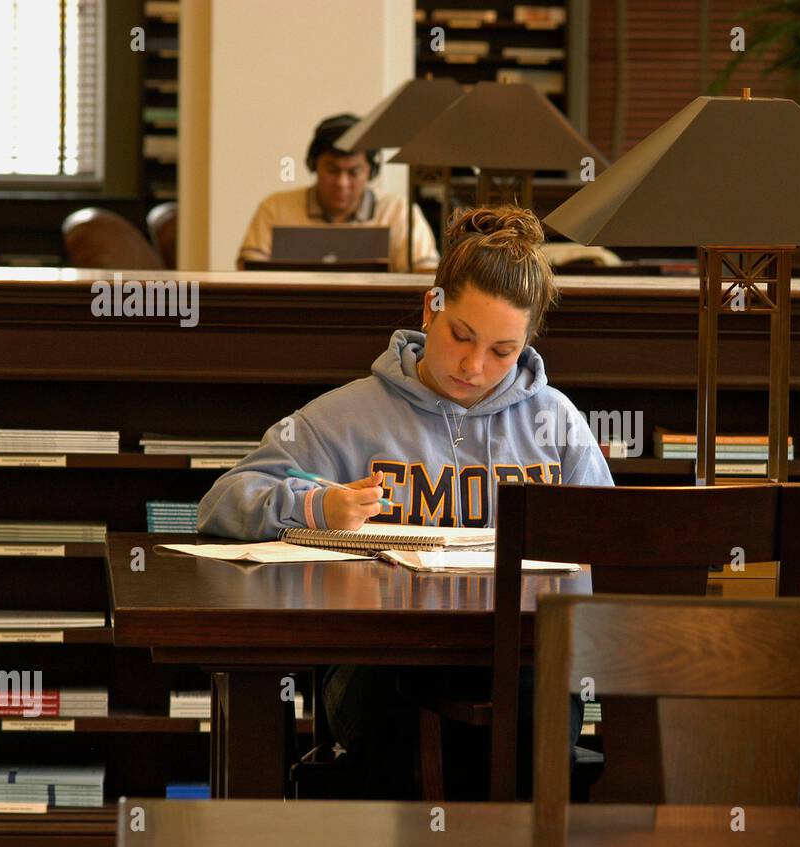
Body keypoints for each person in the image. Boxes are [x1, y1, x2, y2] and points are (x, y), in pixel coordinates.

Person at [201, 205, 612, 796]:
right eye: (460, 337)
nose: (474, 367)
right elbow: (222, 503)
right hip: (378, 666)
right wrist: (319, 508)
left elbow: (615, 547)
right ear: (432, 308)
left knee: (529, 725)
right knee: (406, 736)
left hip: (526, 667)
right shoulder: (348, 416)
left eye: (503, 351)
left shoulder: (556, 423)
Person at [236, 113, 440, 272]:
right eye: (332, 170)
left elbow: (426, 274)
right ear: (314, 166)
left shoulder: (399, 212)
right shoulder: (275, 208)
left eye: (353, 172)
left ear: (371, 170)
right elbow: (248, 269)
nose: (342, 183)